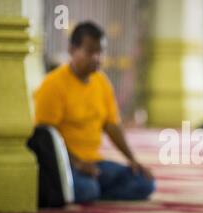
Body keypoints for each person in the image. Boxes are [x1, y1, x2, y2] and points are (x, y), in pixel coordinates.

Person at [34, 22, 155, 203]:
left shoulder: (101, 82)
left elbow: (112, 126)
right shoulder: (53, 84)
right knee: (86, 189)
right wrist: (78, 163)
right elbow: (46, 139)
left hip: (94, 163)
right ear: (72, 49)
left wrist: (133, 161)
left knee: (144, 183)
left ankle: (95, 190)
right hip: (65, 165)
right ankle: (93, 190)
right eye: (90, 52)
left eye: (100, 52)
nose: (97, 58)